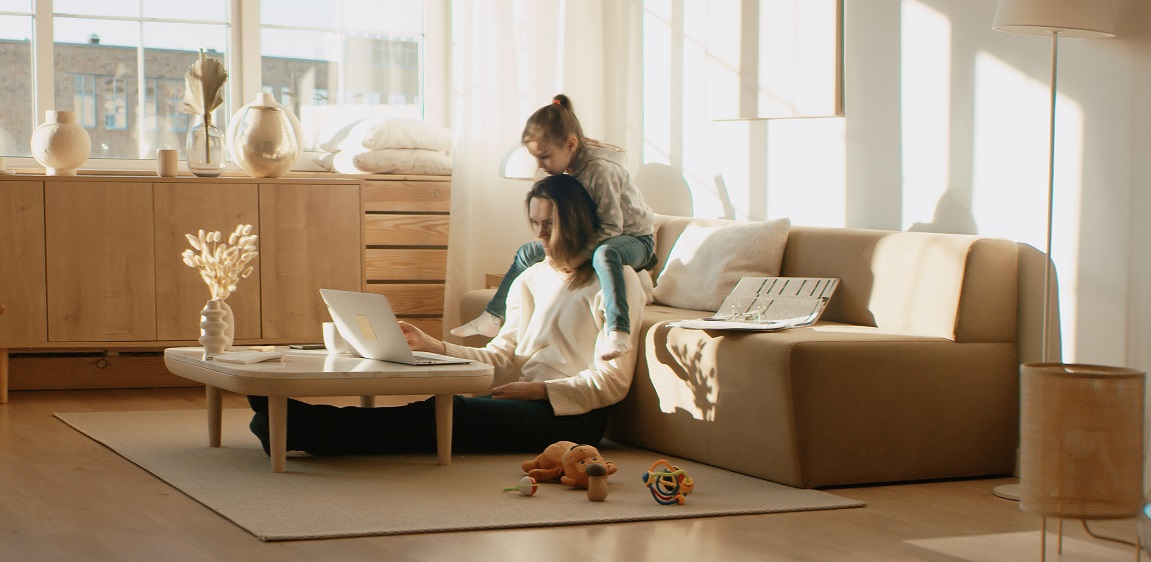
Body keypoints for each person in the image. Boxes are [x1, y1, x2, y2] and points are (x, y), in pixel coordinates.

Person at [246, 174, 645, 456]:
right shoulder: (532, 277)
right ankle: (294, 424)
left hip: (573, 418)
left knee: (451, 414)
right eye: (535, 223)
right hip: (523, 400)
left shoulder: (614, 281)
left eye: (550, 224)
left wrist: (541, 391)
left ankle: (300, 428)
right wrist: (433, 345)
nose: (540, 235)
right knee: (441, 407)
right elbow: (503, 359)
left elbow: (614, 381)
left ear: (575, 220)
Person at [451, 94, 656, 362]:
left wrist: (576, 256)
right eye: (536, 158)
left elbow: (611, 226)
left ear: (570, 144)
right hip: (605, 236)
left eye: (544, 157)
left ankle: (618, 331)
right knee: (527, 252)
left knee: (606, 254)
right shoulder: (574, 166)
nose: (540, 165)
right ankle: (492, 316)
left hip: (635, 240)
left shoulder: (600, 170)